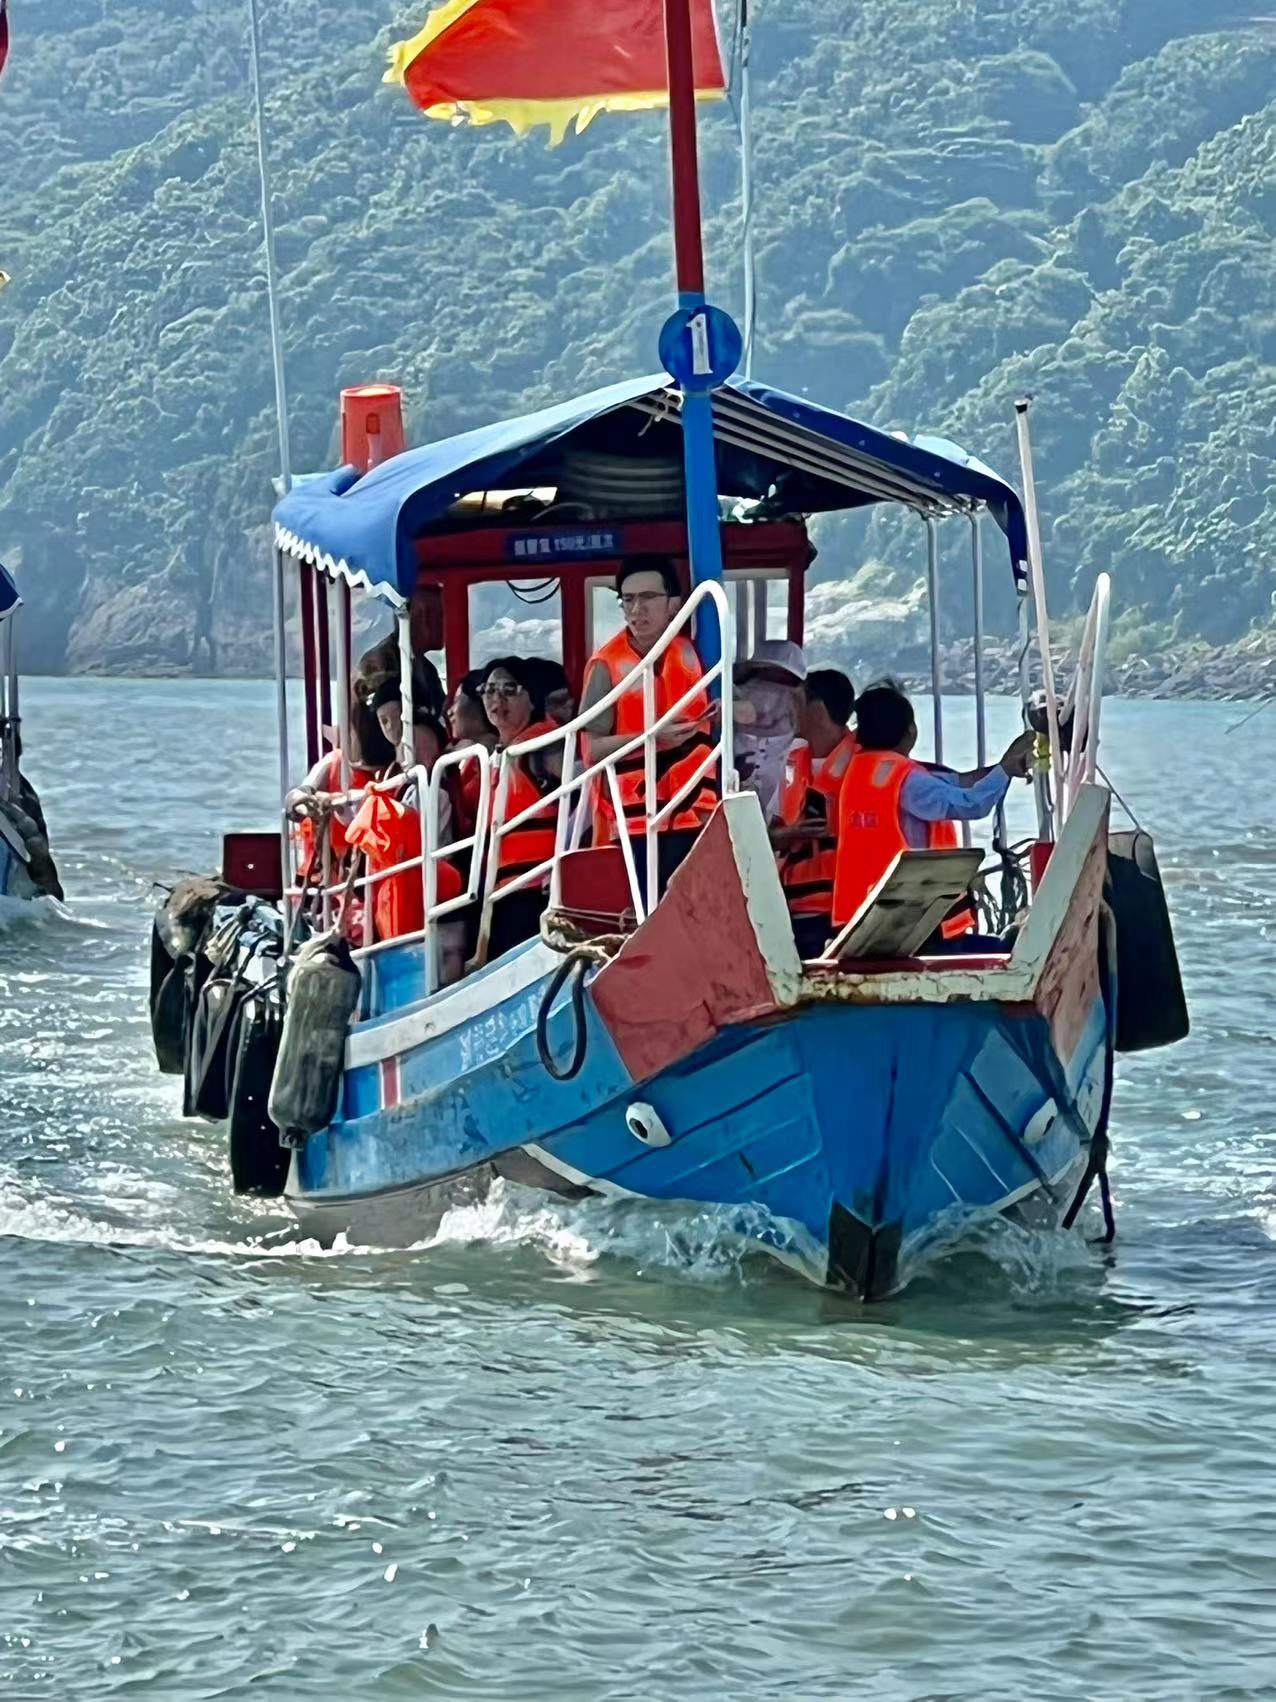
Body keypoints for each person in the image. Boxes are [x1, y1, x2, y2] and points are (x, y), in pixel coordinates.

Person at [831, 680, 1034, 947]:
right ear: (911, 731)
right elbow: (970, 803)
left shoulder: (860, 770)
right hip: (907, 917)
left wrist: (1003, 768)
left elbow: (958, 783)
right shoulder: (908, 780)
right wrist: (1005, 770)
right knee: (1006, 948)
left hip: (865, 916)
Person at [578, 557, 717, 873]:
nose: (637, 608)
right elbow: (590, 751)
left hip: (695, 811)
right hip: (633, 820)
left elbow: (742, 713)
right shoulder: (605, 666)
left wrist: (720, 712)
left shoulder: (694, 652)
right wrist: (650, 738)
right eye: (628, 599)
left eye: (648, 597)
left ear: (673, 604)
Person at [479, 656, 563, 956]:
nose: (497, 699)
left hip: (537, 888)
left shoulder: (545, 746)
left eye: (509, 689)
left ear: (533, 699)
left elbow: (582, 792)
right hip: (505, 890)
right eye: (490, 690)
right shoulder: (497, 755)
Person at [777, 668, 857, 939]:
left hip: (845, 912)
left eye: (795, 701)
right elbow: (769, 828)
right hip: (793, 912)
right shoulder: (788, 762)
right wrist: (786, 834)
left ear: (818, 711)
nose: (786, 710)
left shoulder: (866, 764)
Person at [733, 639, 808, 824]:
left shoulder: (800, 742)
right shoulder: (732, 704)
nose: (773, 694)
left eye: (786, 681)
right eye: (767, 678)